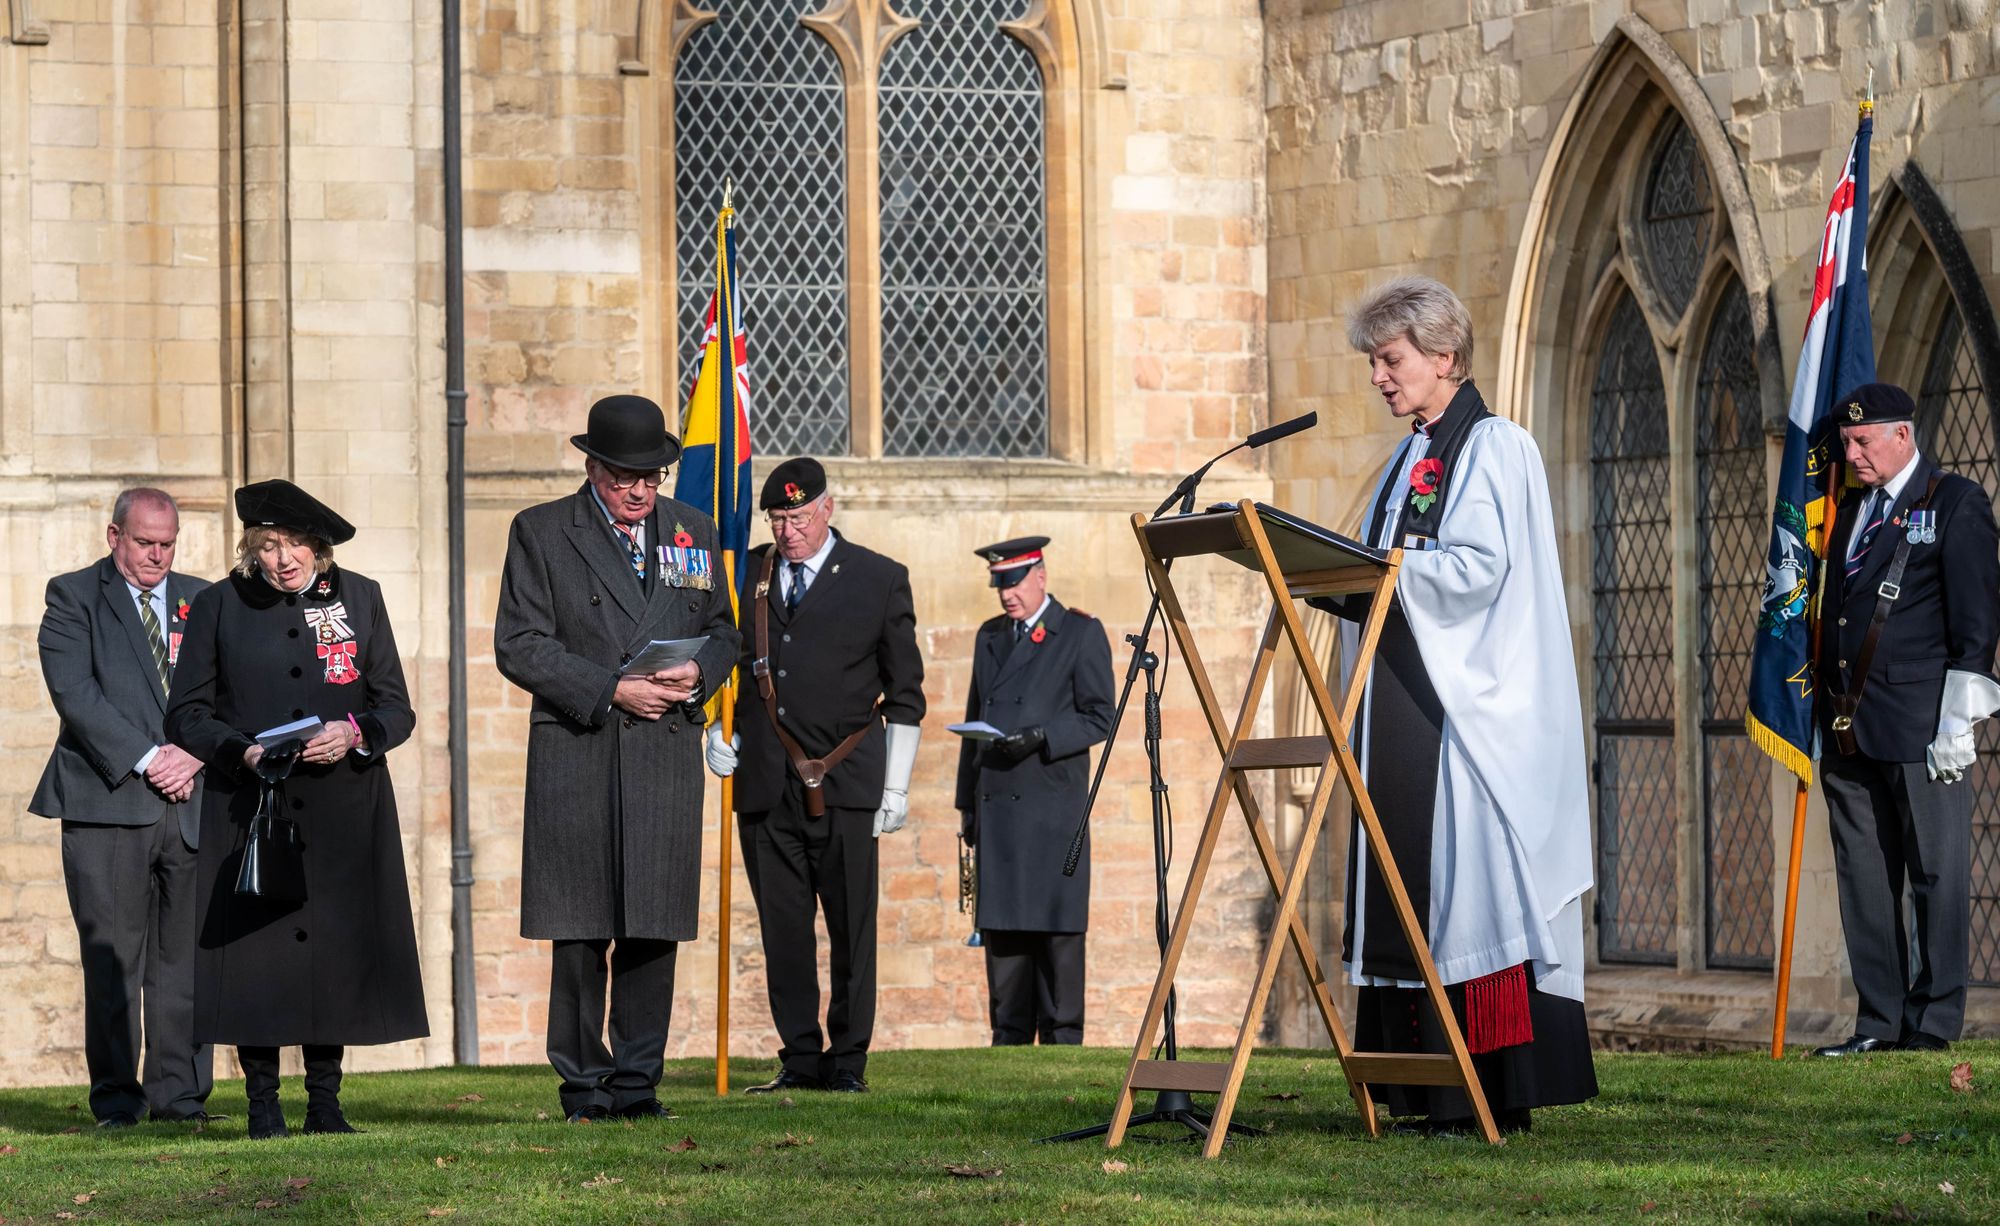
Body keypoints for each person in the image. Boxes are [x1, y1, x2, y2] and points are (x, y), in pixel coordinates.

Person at [1307, 275, 1596, 1133]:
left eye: (1389, 360)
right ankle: (1422, 1090)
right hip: (1405, 702)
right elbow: (1397, 561)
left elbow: (1479, 572)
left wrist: (1377, 574)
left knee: (1465, 888)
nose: (1378, 378)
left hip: (1469, 713)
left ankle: (1490, 1090)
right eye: (1373, 362)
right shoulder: (1411, 454)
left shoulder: (1496, 447)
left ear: (1445, 356)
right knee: (1408, 885)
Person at [494, 394, 740, 1121]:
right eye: (624, 477)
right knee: (579, 932)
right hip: (580, 751)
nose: (640, 491)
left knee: (652, 927)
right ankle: (583, 1086)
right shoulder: (540, 532)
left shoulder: (693, 531)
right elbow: (520, 643)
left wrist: (701, 675)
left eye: (652, 477)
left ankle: (637, 1084)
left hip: (662, 755)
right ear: (592, 467)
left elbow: (723, 630)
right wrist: (611, 688)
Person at [164, 479, 427, 1138]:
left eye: (296, 546)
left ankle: (325, 1102)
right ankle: (261, 1105)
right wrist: (241, 754)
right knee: (259, 958)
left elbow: (396, 706)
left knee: (331, 953)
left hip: (343, 805)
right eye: (269, 546)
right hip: (252, 805)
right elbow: (187, 714)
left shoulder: (359, 599)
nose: (283, 560)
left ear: (319, 547)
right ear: (251, 547)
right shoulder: (218, 605)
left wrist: (356, 733)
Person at [703, 457, 925, 1093]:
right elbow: (724, 663)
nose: (787, 530)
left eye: (798, 517)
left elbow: (905, 693)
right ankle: (799, 1058)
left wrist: (898, 785)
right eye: (777, 518)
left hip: (849, 785)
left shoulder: (880, 579)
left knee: (853, 931)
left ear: (828, 508)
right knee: (784, 931)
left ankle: (848, 1061)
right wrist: (715, 735)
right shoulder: (743, 570)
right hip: (766, 783)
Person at [1811, 382, 2000, 1057]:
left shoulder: (1955, 503)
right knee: (1865, 877)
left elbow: (1977, 623)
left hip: (1924, 728)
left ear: (1902, 435)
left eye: (1863, 441)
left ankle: (1936, 1020)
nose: (1852, 453)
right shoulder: (1854, 510)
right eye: (1848, 442)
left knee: (1935, 874)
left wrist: (1960, 719)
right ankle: (1878, 1021)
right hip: (1850, 723)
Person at [31, 488, 214, 1128]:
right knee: (113, 960)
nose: (158, 556)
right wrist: (148, 758)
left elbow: (227, 684)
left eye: (168, 544)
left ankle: (180, 1098)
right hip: (107, 803)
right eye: (145, 543)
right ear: (115, 537)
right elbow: (76, 695)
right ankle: (117, 1100)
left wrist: (192, 755)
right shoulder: (72, 595)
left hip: (192, 804)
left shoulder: (203, 597)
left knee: (184, 961)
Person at [954, 536, 1114, 1045]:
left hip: (1052, 811)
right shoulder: (990, 637)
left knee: (1057, 931)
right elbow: (974, 717)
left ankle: (1064, 1036)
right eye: (999, 584)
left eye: (1014, 582)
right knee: (1004, 934)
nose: (1006, 594)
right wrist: (966, 807)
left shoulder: (1079, 633)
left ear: (1041, 576)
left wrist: (1042, 737)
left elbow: (1099, 717)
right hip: (997, 805)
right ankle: (1010, 1036)